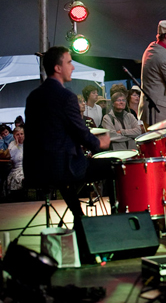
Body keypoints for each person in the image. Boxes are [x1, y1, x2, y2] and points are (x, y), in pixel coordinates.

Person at [24, 46, 113, 263]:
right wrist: (98, 143)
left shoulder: (33, 96)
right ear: (57, 67)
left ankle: (79, 221)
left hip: (36, 168)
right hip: (62, 167)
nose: (72, 67)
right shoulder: (65, 97)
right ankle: (114, 229)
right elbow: (80, 132)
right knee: (114, 166)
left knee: (72, 182)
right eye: (69, 62)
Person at [6, 126, 24, 193]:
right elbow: (12, 158)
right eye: (17, 134)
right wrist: (17, 145)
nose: (20, 136)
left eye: (21, 134)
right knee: (17, 178)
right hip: (16, 168)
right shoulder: (12, 145)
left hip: (27, 168)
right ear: (14, 136)